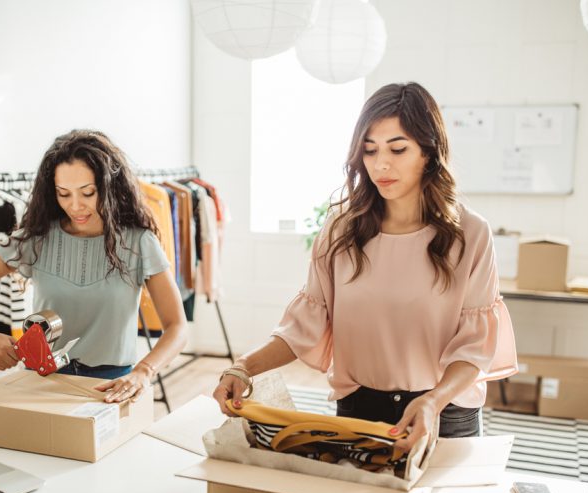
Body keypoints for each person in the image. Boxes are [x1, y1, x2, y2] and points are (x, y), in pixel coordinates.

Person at [213, 82, 518, 453]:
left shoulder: (471, 234)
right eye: (369, 150)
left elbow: (474, 350)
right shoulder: (341, 230)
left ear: (429, 151)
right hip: (359, 408)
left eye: (398, 149)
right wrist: (242, 367)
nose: (381, 164)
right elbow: (303, 327)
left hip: (443, 410)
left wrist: (434, 401)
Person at [0, 130, 187, 403]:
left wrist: (144, 372)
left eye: (87, 192)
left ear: (109, 186)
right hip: (40, 382)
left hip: (112, 388)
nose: (75, 206)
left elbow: (177, 327)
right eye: (63, 194)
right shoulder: (35, 239)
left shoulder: (139, 242)